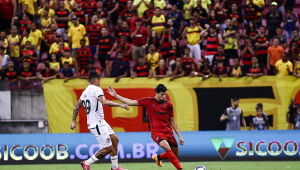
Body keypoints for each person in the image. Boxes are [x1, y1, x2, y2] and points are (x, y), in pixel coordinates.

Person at [107, 84, 184, 170]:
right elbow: (130, 102)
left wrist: (179, 136)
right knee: (167, 148)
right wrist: (116, 95)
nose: (164, 96)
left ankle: (158, 158)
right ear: (156, 93)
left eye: (165, 94)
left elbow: (172, 121)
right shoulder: (148, 101)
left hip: (169, 132)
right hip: (157, 132)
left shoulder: (169, 105)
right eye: (162, 94)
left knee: (175, 155)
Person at [70, 72, 128, 170]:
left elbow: (76, 107)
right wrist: (120, 105)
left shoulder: (85, 92)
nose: (100, 82)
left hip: (101, 121)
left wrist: (73, 121)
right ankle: (87, 163)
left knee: (115, 140)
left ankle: (115, 167)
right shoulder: (97, 89)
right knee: (109, 148)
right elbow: (105, 102)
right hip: (96, 123)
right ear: (96, 79)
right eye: (99, 80)